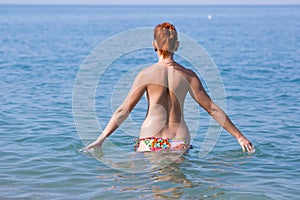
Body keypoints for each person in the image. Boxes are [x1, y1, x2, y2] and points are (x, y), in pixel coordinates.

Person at [86, 22, 254, 152]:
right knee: (177, 189)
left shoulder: (145, 75)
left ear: (154, 44)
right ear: (177, 45)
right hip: (178, 143)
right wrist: (240, 137)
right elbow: (212, 109)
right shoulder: (188, 75)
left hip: (149, 142)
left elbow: (123, 111)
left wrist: (100, 139)